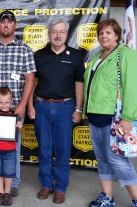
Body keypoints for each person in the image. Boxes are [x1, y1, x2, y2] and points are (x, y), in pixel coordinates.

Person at [27, 18, 84, 204]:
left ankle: (60, 187)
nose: (58, 35)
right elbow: (30, 83)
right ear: (49, 33)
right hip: (41, 106)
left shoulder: (75, 56)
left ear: (67, 35)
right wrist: (29, 106)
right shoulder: (39, 55)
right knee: (44, 148)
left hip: (65, 108)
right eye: (54, 31)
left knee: (63, 149)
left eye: (62, 32)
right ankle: (46, 184)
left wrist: (78, 108)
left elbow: (79, 84)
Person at [0, 10, 36, 197]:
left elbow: (30, 79)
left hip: (15, 108)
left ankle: (13, 183)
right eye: (2, 22)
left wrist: (22, 105)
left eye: (9, 22)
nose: (6, 25)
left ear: (15, 26)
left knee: (14, 147)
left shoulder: (25, 50)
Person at [83, 18, 137, 207]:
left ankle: (136, 199)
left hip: (113, 118)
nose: (103, 36)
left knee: (117, 160)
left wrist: (129, 117)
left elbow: (132, 86)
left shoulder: (126, 54)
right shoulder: (97, 56)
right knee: (102, 159)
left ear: (117, 35)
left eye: (108, 32)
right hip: (95, 116)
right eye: (101, 33)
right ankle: (108, 197)